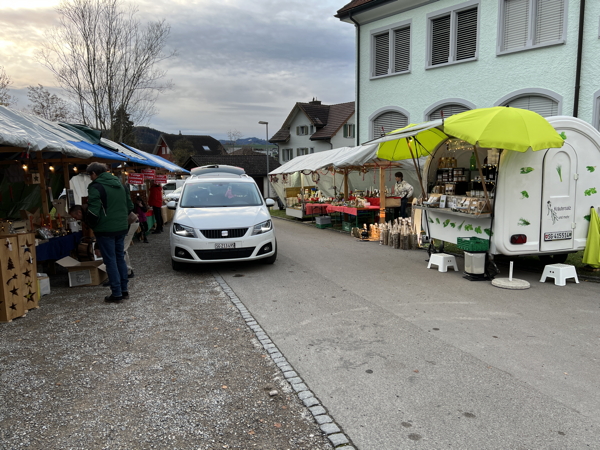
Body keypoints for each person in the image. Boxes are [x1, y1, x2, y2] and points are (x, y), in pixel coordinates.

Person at [85, 162, 134, 303]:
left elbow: (93, 211)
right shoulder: (122, 185)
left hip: (105, 229)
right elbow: (130, 206)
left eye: (90, 175)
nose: (90, 178)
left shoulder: (95, 187)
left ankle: (116, 293)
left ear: (94, 173)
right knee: (120, 257)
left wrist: (91, 224)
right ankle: (124, 290)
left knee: (110, 260)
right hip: (122, 227)